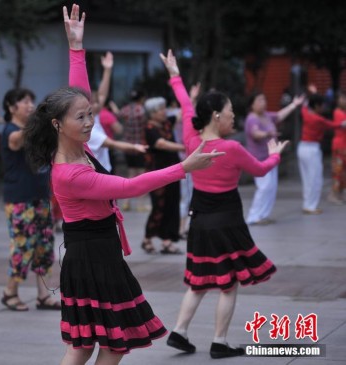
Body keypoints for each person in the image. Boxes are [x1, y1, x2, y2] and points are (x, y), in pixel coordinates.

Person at [23, 6, 222, 364]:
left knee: (87, 344)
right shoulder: (70, 171)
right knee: (110, 343)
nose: (88, 122)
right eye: (80, 118)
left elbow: (77, 95)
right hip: (92, 258)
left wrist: (76, 49)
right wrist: (184, 167)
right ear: (57, 124)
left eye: (90, 115)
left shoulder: (75, 146)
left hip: (97, 253)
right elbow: (129, 187)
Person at [159, 50, 287, 359]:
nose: (233, 116)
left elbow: (186, 103)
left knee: (198, 282)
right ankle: (220, 342)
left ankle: (180, 331)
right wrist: (275, 153)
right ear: (217, 115)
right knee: (228, 285)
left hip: (199, 219)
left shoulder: (192, 139)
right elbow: (260, 169)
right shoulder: (231, 148)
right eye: (229, 111)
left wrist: (175, 74)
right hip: (227, 221)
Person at [0, 88, 60, 312]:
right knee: (23, 245)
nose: (29, 104)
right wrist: (38, 119)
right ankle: (10, 292)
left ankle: (43, 295)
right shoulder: (10, 131)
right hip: (19, 199)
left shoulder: (34, 131)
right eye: (23, 101)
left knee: (44, 246)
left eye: (30, 100)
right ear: (11, 107)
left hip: (40, 197)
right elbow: (16, 141)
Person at [245, 92, 304, 225]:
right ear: (252, 105)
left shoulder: (266, 116)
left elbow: (279, 115)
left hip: (271, 157)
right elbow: (255, 133)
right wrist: (267, 133)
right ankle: (253, 216)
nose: (263, 103)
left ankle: (263, 215)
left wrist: (294, 105)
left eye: (264, 99)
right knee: (264, 187)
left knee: (271, 187)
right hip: (259, 159)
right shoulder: (252, 118)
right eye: (259, 100)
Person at [140, 96, 185, 255]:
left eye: (164, 108)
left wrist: (190, 98)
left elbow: (181, 113)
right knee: (159, 206)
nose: (164, 111)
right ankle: (149, 238)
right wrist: (184, 147)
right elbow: (161, 144)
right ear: (152, 113)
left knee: (172, 204)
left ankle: (166, 240)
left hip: (173, 170)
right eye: (160, 109)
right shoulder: (150, 127)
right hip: (157, 174)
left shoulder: (166, 123)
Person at [297, 93, 346, 214]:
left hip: (302, 147)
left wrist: (308, 97)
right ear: (317, 106)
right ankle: (311, 206)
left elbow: (304, 107)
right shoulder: (317, 119)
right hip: (312, 150)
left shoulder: (306, 113)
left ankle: (307, 204)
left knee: (307, 178)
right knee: (315, 179)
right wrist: (342, 124)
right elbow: (332, 125)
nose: (323, 107)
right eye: (322, 105)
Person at [118, 86, 148, 211]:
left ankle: (126, 202)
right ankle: (140, 204)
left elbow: (119, 115)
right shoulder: (142, 111)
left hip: (128, 146)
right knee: (141, 174)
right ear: (141, 98)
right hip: (140, 145)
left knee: (130, 173)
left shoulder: (125, 110)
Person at [330, 91, 346, 204]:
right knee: (338, 171)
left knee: (343, 173)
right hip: (339, 146)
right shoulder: (337, 112)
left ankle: (340, 194)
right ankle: (334, 195)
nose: (343, 101)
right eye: (341, 98)